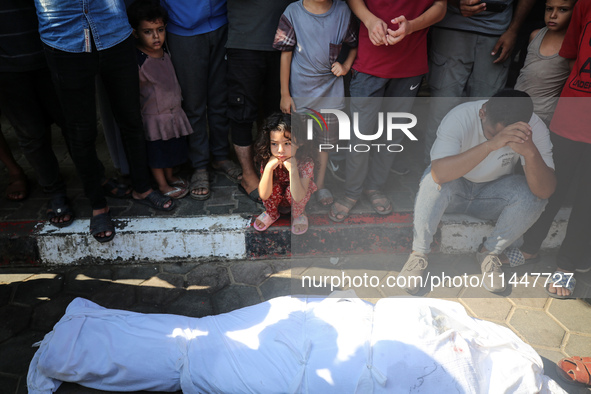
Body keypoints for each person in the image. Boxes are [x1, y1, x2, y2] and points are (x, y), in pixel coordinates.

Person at [33, 0, 175, 243]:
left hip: (113, 33)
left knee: (131, 119)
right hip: (64, 38)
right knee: (81, 132)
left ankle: (142, 188)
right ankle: (98, 206)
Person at [399, 90, 556, 295]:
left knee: (533, 196)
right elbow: (439, 174)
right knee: (432, 179)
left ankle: (489, 254)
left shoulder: (533, 128)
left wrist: (530, 152)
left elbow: (545, 191)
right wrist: (491, 145)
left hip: (493, 194)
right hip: (455, 189)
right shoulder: (460, 116)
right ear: (483, 112)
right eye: (493, 133)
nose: (502, 141)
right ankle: (418, 254)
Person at [328, 0, 447, 222]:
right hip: (370, 61)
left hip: (410, 62)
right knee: (360, 133)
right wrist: (369, 19)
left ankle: (374, 187)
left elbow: (440, 6)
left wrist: (411, 26)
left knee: (393, 132)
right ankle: (352, 192)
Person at [519, 0, 591, 299]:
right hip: (571, 114)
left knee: (588, 201)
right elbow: (572, 52)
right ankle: (529, 247)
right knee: (551, 186)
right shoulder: (585, 5)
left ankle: (568, 264)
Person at [424, 0, 537, 160]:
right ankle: (433, 170)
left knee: (487, 110)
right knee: (442, 107)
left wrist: (513, 30)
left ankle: (474, 173)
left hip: (498, 30)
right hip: (451, 25)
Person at [273, 0, 358, 207]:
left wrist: (346, 66)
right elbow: (286, 53)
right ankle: (299, 185)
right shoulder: (293, 12)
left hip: (330, 92)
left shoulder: (342, 11)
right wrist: (285, 93)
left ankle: (319, 185)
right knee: (299, 142)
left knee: (324, 143)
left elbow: (355, 45)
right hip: (301, 92)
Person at [0, 0, 75, 227]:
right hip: (7, 67)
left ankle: (95, 179)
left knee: (73, 122)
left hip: (53, 51)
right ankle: (54, 191)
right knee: (31, 134)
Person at [160, 0, 242, 201]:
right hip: (183, 27)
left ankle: (221, 157)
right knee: (193, 104)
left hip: (222, 22)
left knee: (220, 99)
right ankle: (199, 165)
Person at [226, 0, 293, 204]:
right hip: (246, 41)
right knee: (242, 111)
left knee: (277, 115)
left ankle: (273, 171)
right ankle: (248, 176)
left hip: (286, 41)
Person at [127, 0, 192, 200]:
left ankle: (170, 176)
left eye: (160, 29)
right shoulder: (139, 60)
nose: (156, 37)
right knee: (157, 154)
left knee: (171, 148)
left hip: (173, 113)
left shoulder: (166, 52)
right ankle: (162, 184)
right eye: (148, 31)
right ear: (136, 33)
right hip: (154, 118)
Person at [253, 113, 317, 235]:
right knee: (273, 185)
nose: (280, 150)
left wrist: (293, 170)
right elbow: (264, 195)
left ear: (300, 142)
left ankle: (299, 214)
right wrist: (268, 169)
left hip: (296, 197)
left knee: (291, 190)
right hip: (276, 199)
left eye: (287, 143)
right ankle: (272, 213)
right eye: (274, 144)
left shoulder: (306, 163)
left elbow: (298, 197)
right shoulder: (268, 160)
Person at [514, 0, 575, 126]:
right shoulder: (535, 35)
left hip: (542, 116)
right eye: (549, 9)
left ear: (575, 12)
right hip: (515, 107)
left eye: (563, 10)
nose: (553, 15)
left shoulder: (572, 45)